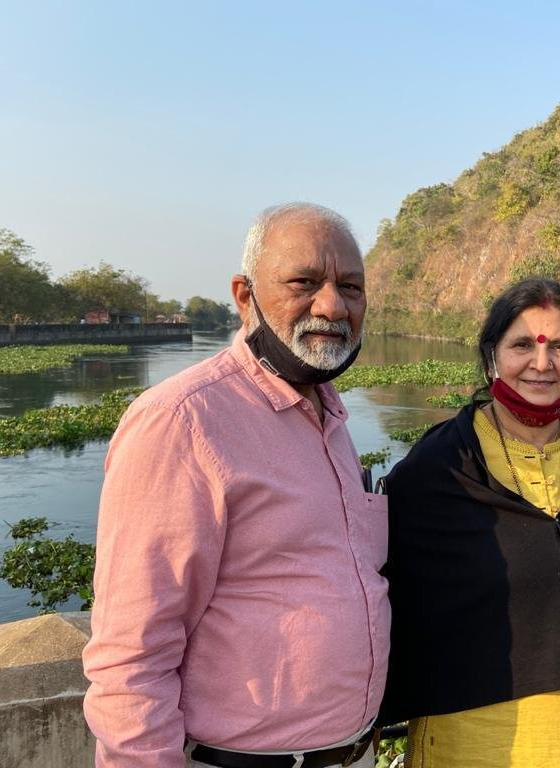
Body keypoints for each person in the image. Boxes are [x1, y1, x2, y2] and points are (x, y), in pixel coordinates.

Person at [82, 203, 389, 768]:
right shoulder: (182, 421)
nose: (332, 306)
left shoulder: (328, 416)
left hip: (355, 754)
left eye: (351, 286)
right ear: (245, 295)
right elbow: (131, 652)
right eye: (304, 283)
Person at [377, 278, 560, 767]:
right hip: (483, 736)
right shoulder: (440, 465)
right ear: (492, 356)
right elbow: (385, 591)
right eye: (521, 345)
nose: (541, 363)